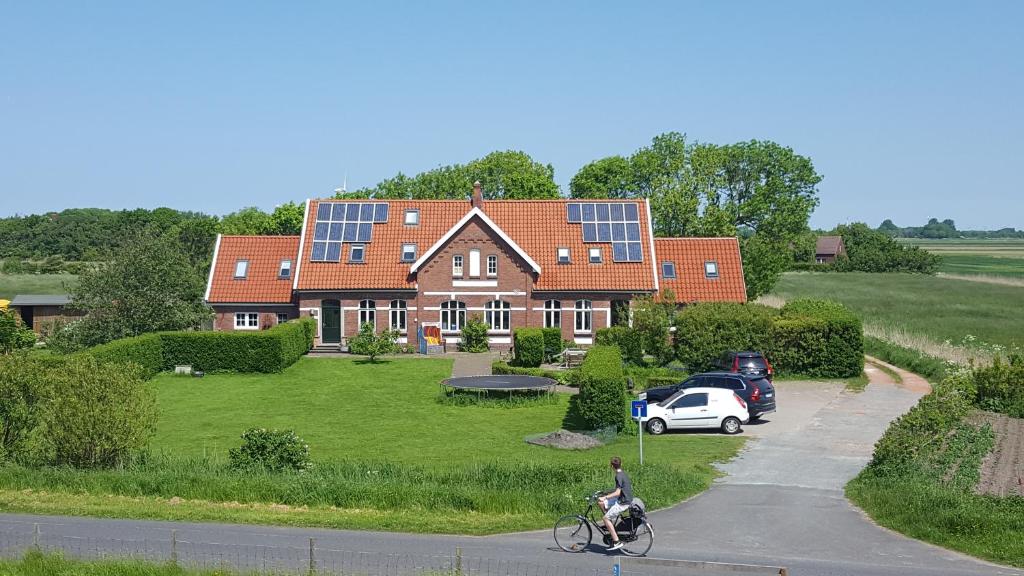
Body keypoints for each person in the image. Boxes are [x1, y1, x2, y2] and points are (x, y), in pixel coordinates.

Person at [597, 456, 633, 551]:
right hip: (624, 499)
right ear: (621, 464)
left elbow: (617, 492)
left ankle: (617, 541)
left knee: (605, 518)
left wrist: (605, 496)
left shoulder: (618, 476)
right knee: (601, 503)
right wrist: (606, 492)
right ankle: (610, 525)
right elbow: (619, 489)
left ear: (611, 466)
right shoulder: (623, 474)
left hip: (623, 502)